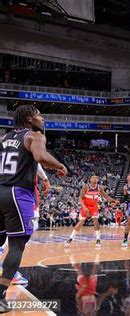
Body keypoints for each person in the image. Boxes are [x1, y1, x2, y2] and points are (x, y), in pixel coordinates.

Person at [0, 105, 67, 311]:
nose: (43, 118)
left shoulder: (3, 138)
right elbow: (40, 157)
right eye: (39, 115)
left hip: (0, 189)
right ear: (29, 118)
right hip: (17, 192)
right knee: (17, 245)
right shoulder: (34, 136)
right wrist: (61, 166)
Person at [65, 175, 119, 247]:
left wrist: (113, 200)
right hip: (86, 206)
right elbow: (80, 198)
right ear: (90, 179)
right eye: (93, 177)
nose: (95, 179)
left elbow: (106, 196)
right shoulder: (86, 187)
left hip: (94, 206)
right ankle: (71, 238)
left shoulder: (99, 187)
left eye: (96, 178)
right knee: (81, 222)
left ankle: (98, 240)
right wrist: (84, 207)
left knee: (95, 221)